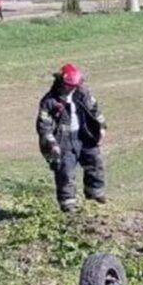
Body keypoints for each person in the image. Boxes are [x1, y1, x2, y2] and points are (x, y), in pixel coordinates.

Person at [36, 63, 109, 212]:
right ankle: (68, 203)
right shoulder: (49, 101)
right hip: (63, 140)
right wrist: (52, 144)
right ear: (61, 82)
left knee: (95, 163)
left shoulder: (83, 93)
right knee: (65, 171)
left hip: (85, 136)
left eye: (75, 85)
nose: (72, 88)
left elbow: (95, 110)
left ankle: (95, 193)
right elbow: (43, 126)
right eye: (69, 85)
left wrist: (102, 127)